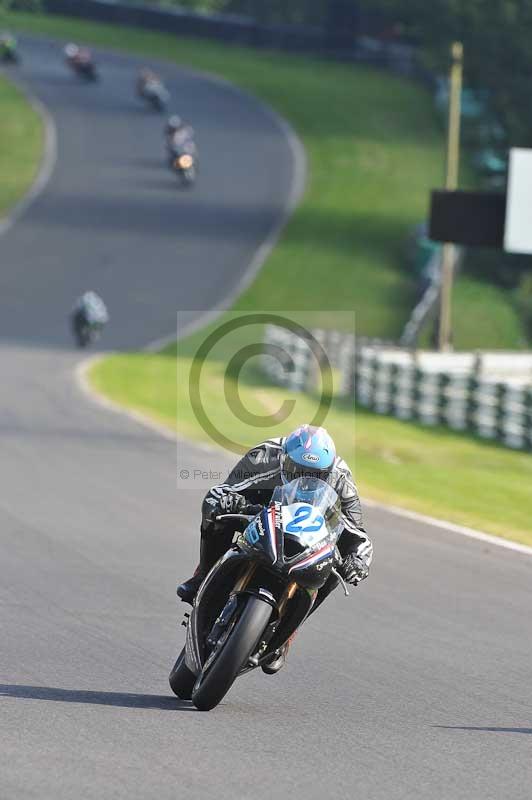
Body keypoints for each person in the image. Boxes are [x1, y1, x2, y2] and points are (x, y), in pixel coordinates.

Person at [177, 424, 373, 673]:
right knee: (217, 515)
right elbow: (222, 490)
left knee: (334, 567)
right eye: (296, 470)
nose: (305, 479)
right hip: (262, 510)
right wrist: (229, 501)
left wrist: (358, 560)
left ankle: (289, 632)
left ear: (328, 470)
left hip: (310, 529)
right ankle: (202, 574)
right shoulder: (265, 454)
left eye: (315, 474)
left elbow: (357, 533)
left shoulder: (342, 478)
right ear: (284, 460)